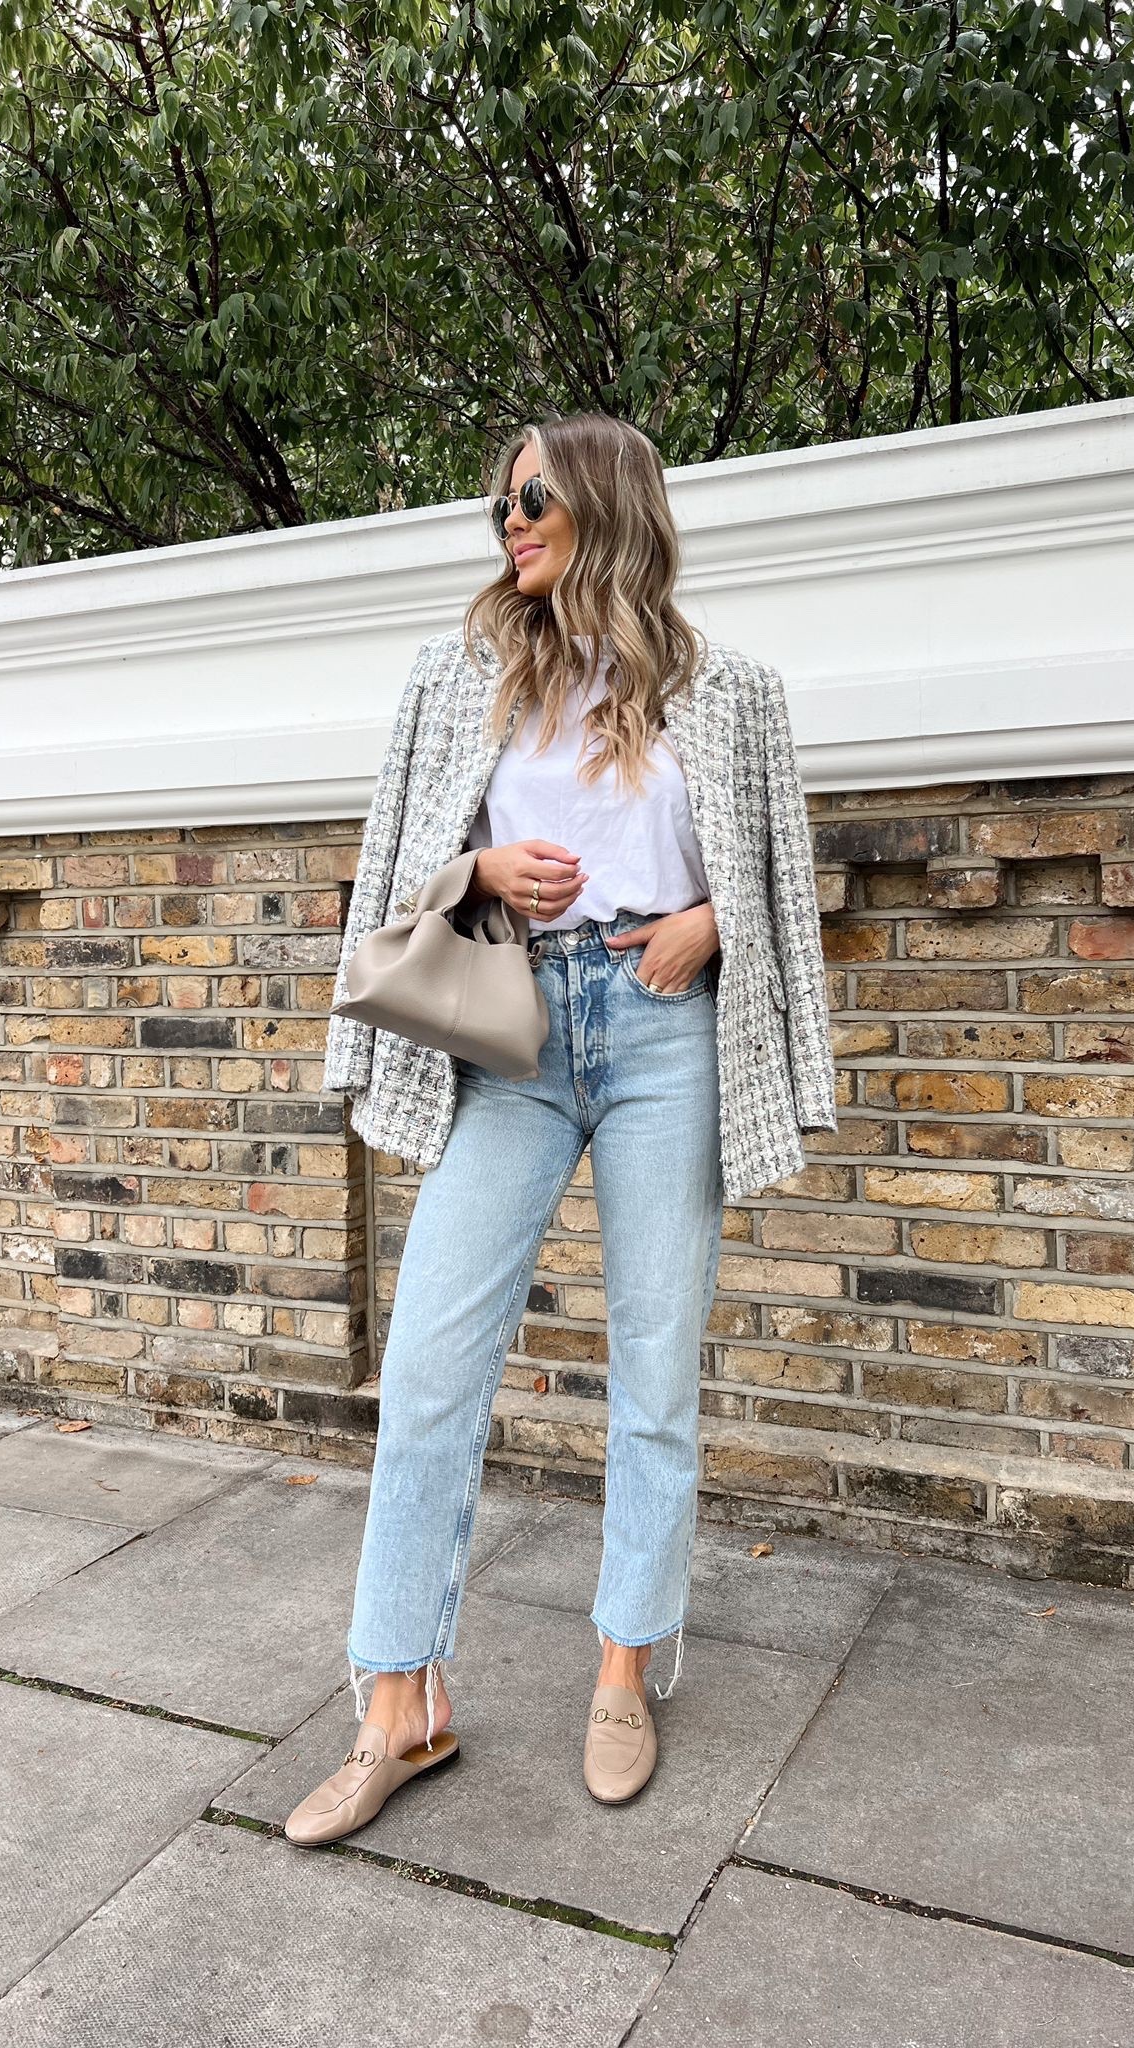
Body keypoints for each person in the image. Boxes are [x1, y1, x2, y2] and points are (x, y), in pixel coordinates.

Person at [284, 411, 837, 1846]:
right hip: (517, 1041)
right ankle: (400, 1704)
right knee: (427, 1364)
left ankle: (623, 1666)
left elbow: (780, 887)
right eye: (498, 505)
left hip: (664, 1032)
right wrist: (479, 863)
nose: (510, 522)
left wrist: (708, 922)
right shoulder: (459, 676)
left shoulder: (731, 690)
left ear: (604, 501)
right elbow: (387, 873)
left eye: (532, 497)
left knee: (652, 1370)